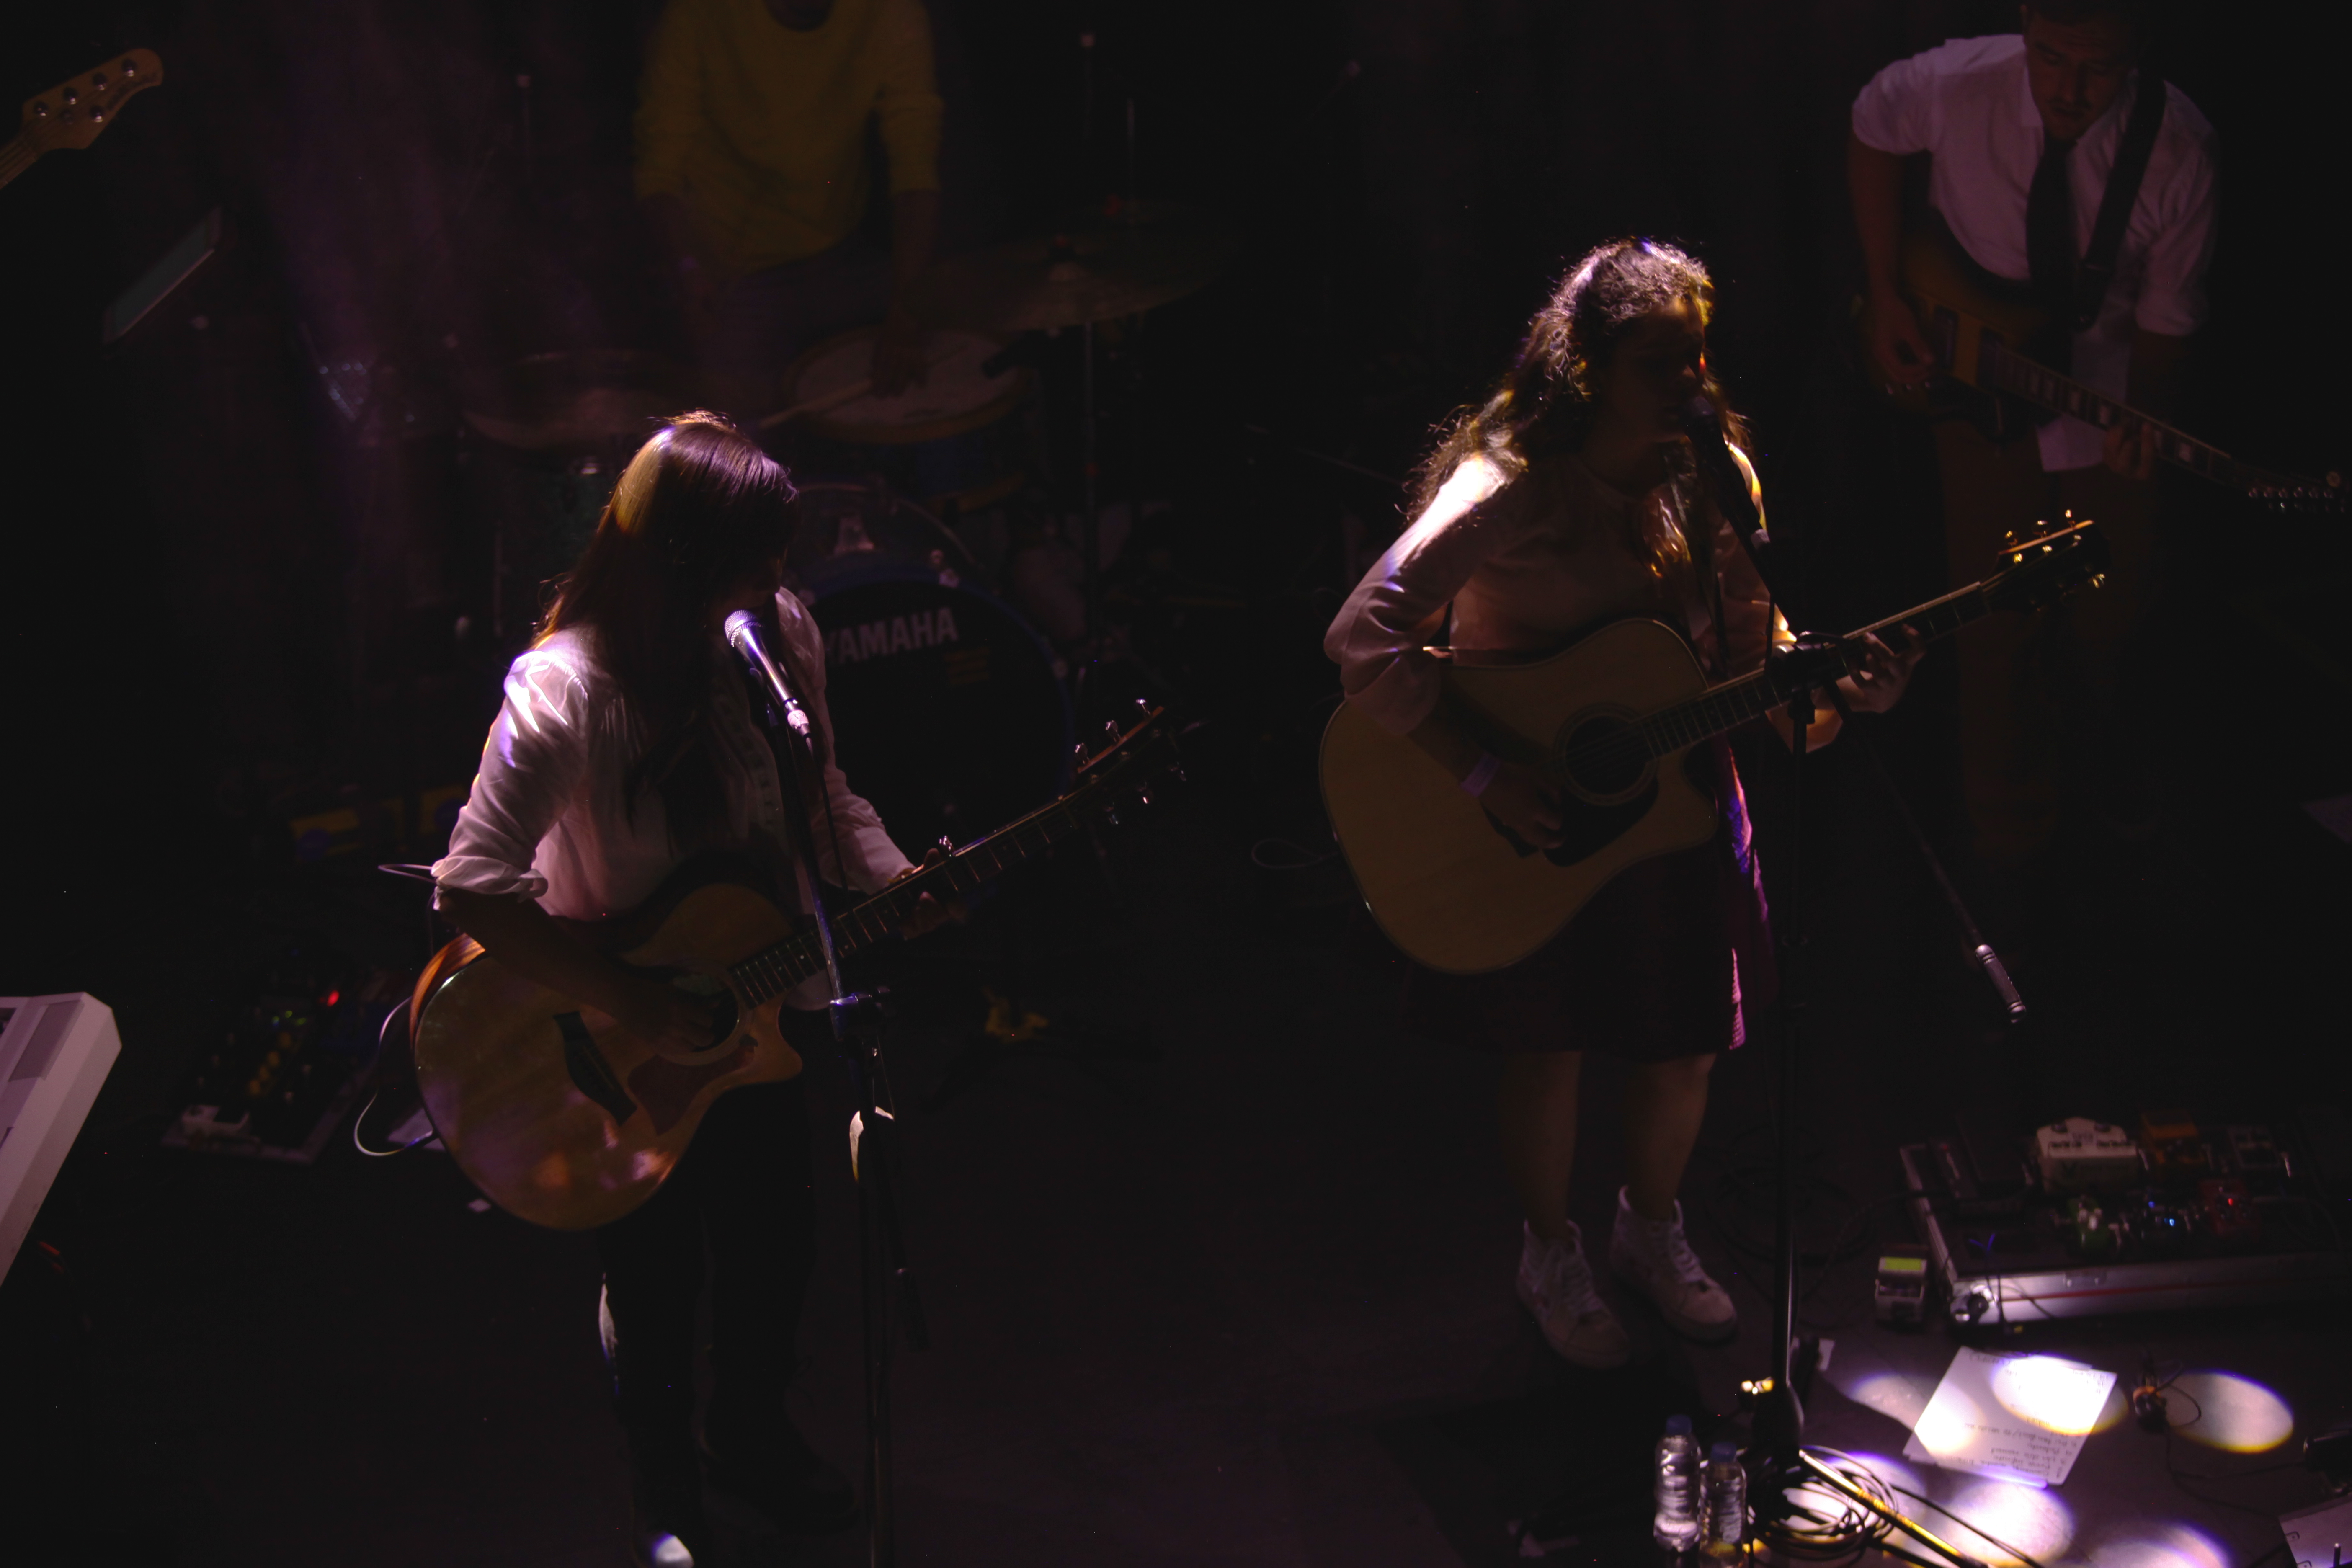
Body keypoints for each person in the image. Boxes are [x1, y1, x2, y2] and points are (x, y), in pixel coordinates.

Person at [1325, 240, 1918, 1368]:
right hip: (1525, 811)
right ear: (1589, 370)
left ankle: (1648, 1233)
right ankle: (1549, 1254)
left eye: (1699, 357)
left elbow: (1758, 667)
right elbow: (1361, 638)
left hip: (1675, 800)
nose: (1692, 384)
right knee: (1547, 1049)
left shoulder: (1714, 474)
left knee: (1687, 1046)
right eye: (1661, 364)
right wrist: (1486, 773)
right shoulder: (1507, 486)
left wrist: (1843, 698)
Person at [433, 415, 946, 1565]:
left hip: (756, 1017)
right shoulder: (566, 689)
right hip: (615, 1047)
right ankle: (665, 1497)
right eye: (751, 559)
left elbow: (825, 800)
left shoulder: (776, 636)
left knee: (776, 1256)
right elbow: (471, 887)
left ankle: (749, 1442)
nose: (775, 578)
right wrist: (636, 1000)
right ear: (679, 562)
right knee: (655, 1285)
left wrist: (894, 878)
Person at [1849, 0, 2217, 873]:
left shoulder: (2180, 150)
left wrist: (2145, 423)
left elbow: (2169, 318)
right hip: (1976, 399)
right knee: (1992, 627)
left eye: (2098, 68)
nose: (2069, 89)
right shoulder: (1959, 84)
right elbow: (1872, 122)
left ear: (2137, 52)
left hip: (2103, 403)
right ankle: (2008, 846)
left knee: (2111, 620)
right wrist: (1887, 293)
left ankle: (2105, 783)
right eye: (2050, 57)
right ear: (2024, 26)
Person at [636, 0, 945, 407]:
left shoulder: (890, 10)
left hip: (844, 253)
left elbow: (915, 164)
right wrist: (688, 269)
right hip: (729, 275)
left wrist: (906, 312)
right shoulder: (698, 14)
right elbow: (659, 172)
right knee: (740, 423)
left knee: (940, 360)